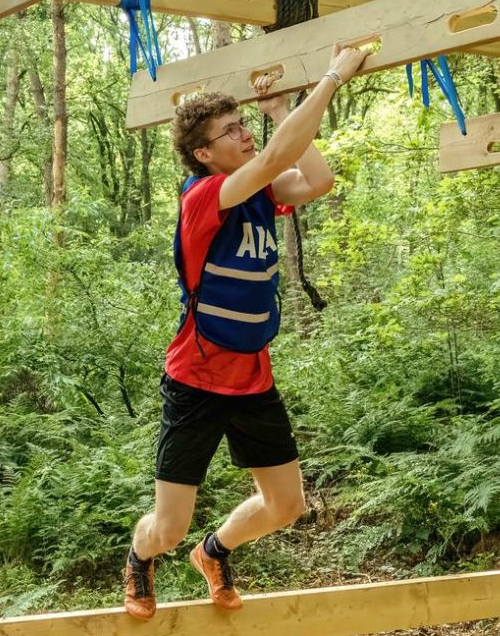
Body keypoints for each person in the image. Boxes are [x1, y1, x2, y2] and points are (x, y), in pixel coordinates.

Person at [124, 43, 367, 620]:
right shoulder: (205, 196)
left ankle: (213, 552)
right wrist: (332, 76)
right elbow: (279, 156)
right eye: (231, 130)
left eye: (243, 124)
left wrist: (280, 110)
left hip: (252, 377)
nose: (245, 134)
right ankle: (139, 557)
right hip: (196, 378)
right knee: (169, 527)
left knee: (286, 505)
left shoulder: (261, 192)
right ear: (204, 153)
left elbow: (318, 178)